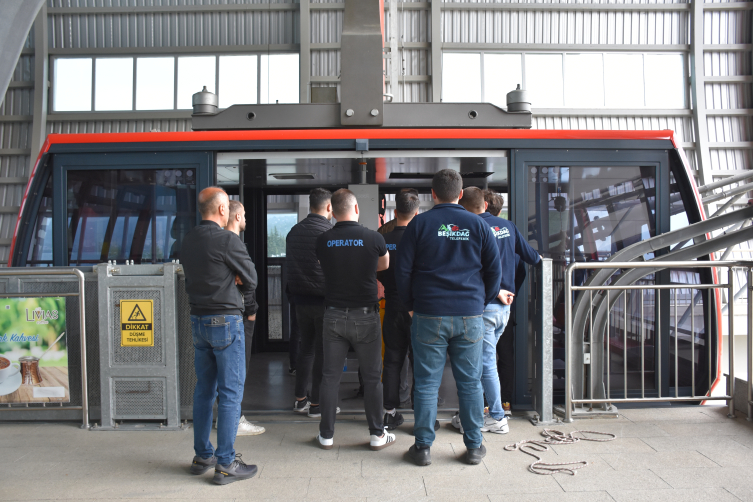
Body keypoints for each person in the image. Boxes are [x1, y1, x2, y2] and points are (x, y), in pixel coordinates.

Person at [395, 170, 502, 466]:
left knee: (427, 383)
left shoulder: (419, 223)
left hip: (428, 313)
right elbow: (494, 271)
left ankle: (423, 448)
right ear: (459, 195)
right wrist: (481, 301)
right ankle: (475, 447)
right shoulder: (478, 225)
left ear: (433, 194)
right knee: (470, 383)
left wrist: (410, 305)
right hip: (469, 314)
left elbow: (402, 270)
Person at [181, 187, 258, 485]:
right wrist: (234, 275)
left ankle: (203, 455)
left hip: (198, 321)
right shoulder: (226, 240)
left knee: (204, 390)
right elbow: (250, 278)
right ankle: (226, 462)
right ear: (223, 210)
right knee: (230, 393)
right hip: (225, 321)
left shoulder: (189, 239)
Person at [314, 189, 396, 451]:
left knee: (330, 377)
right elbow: (383, 265)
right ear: (357, 208)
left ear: (332, 211)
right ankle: (376, 435)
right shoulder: (373, 238)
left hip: (334, 315)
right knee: (372, 378)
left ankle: (326, 436)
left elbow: (326, 264)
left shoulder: (323, 240)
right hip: (365, 315)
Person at [456, 187, 540, 434]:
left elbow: (468, 270)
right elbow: (533, 258)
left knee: (484, 362)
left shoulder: (471, 228)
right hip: (503, 308)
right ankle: (474, 412)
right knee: (484, 362)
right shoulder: (509, 227)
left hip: (483, 306)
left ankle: (496, 416)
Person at [285, 188, 334, 418]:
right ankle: (317, 405)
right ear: (329, 207)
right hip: (323, 301)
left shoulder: (294, 232)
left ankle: (300, 399)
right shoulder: (329, 232)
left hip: (299, 301)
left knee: (306, 349)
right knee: (323, 353)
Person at [377, 191, 420, 430]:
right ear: (416, 214)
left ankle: (389, 413)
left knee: (392, 361)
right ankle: (422, 415)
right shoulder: (420, 239)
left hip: (392, 306)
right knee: (420, 362)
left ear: (395, 213)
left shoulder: (383, 240)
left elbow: (378, 272)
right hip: (417, 310)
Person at [224, 199, 265, 436]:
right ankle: (235, 420)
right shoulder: (234, 244)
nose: (247, 220)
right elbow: (250, 281)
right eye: (245, 215)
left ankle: (227, 418)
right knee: (238, 371)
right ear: (237, 217)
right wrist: (251, 312)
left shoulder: (216, 243)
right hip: (238, 315)